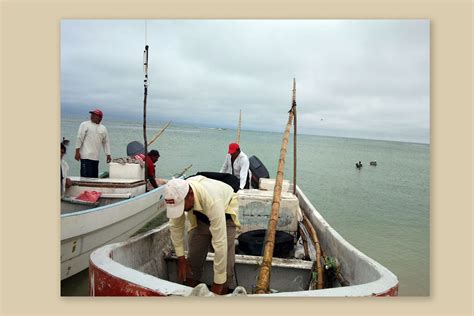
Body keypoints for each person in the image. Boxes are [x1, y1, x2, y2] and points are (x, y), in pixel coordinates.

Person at [165, 176, 240, 295]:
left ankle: (221, 295)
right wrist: (181, 258)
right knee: (192, 261)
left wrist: (217, 285)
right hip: (199, 217)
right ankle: (192, 294)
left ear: (190, 195)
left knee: (226, 265)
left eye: (181, 206)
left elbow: (220, 243)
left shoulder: (212, 200)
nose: (181, 210)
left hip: (225, 216)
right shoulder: (179, 196)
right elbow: (175, 227)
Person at [74, 109, 111, 178]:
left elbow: (106, 142)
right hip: (85, 157)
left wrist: (108, 154)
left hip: (95, 158)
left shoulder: (103, 128)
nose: (92, 116)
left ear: (100, 117)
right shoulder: (84, 124)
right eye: (92, 114)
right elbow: (79, 138)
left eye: (94, 115)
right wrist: (77, 152)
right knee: (85, 178)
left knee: (94, 178)